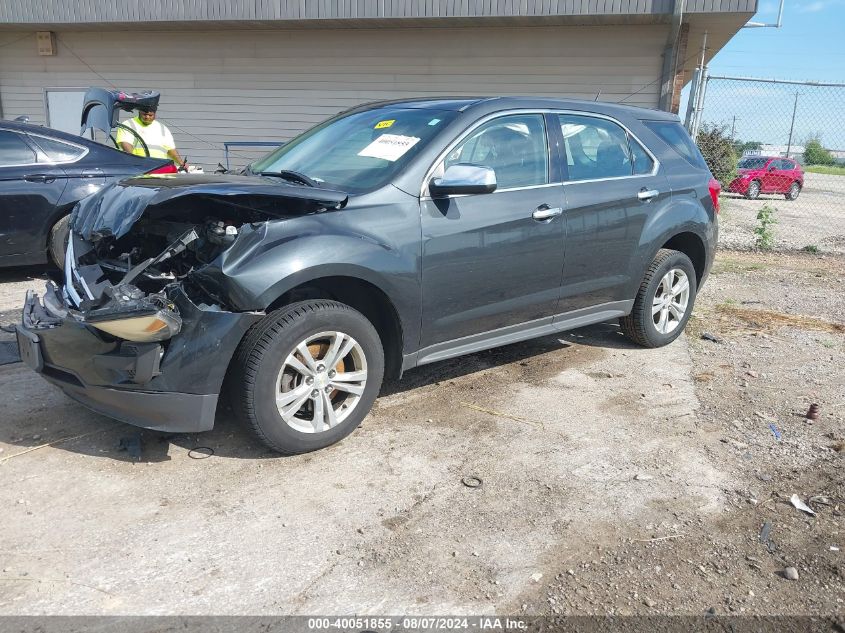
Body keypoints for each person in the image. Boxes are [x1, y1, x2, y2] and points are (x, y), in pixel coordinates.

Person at [116, 105, 184, 166]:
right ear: (139, 112)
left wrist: (182, 164)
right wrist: (135, 164)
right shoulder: (129, 124)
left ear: (155, 114)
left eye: (150, 115)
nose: (147, 117)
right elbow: (126, 144)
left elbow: (171, 150)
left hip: (160, 169)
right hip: (140, 169)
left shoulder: (162, 128)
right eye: (144, 114)